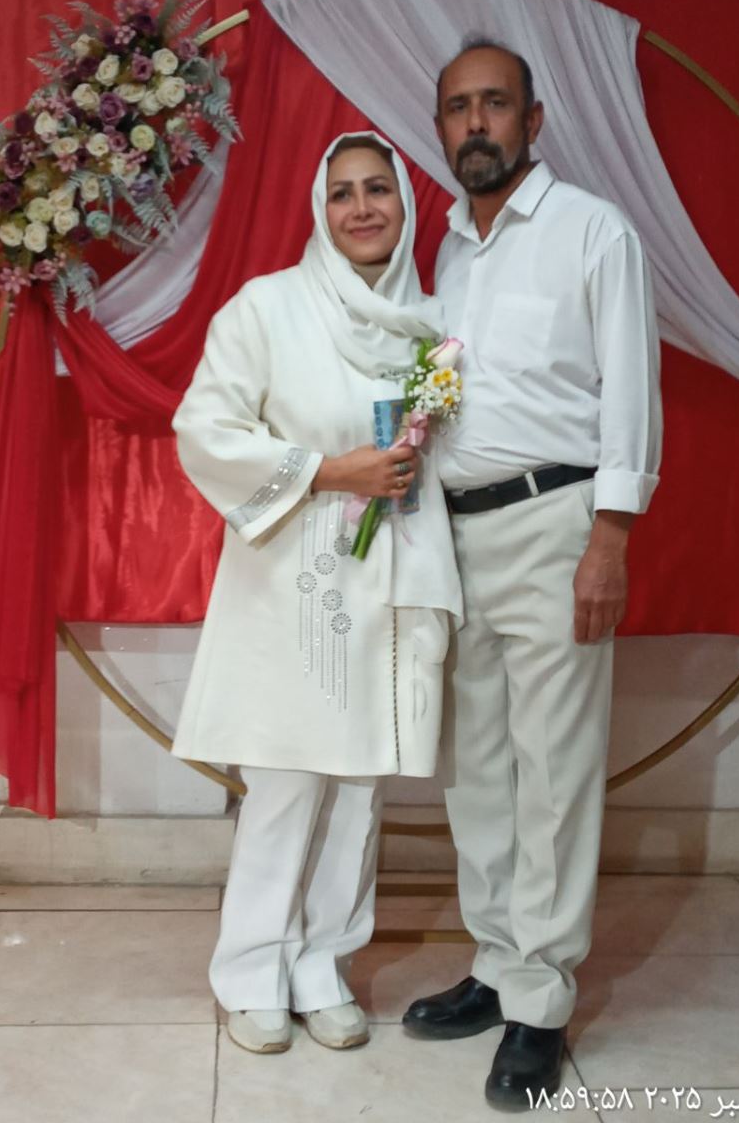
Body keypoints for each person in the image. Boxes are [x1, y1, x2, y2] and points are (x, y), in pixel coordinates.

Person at [402, 40, 662, 1110]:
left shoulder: (594, 231)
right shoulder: (448, 251)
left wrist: (611, 539)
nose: (476, 124)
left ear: (534, 120)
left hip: (558, 524)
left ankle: (542, 1003)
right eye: (458, 108)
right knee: (477, 769)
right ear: (440, 127)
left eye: (494, 104)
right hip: (456, 534)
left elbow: (632, 393)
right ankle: (499, 960)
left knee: (553, 769)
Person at [171, 131, 462, 1057]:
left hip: (392, 581)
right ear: (319, 208)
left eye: (379, 189)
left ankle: (323, 965)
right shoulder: (268, 309)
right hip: (294, 587)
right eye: (342, 193)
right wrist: (331, 472)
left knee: (361, 787)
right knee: (287, 781)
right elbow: (204, 430)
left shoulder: (431, 326)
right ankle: (252, 969)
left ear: (405, 206)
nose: (362, 208)